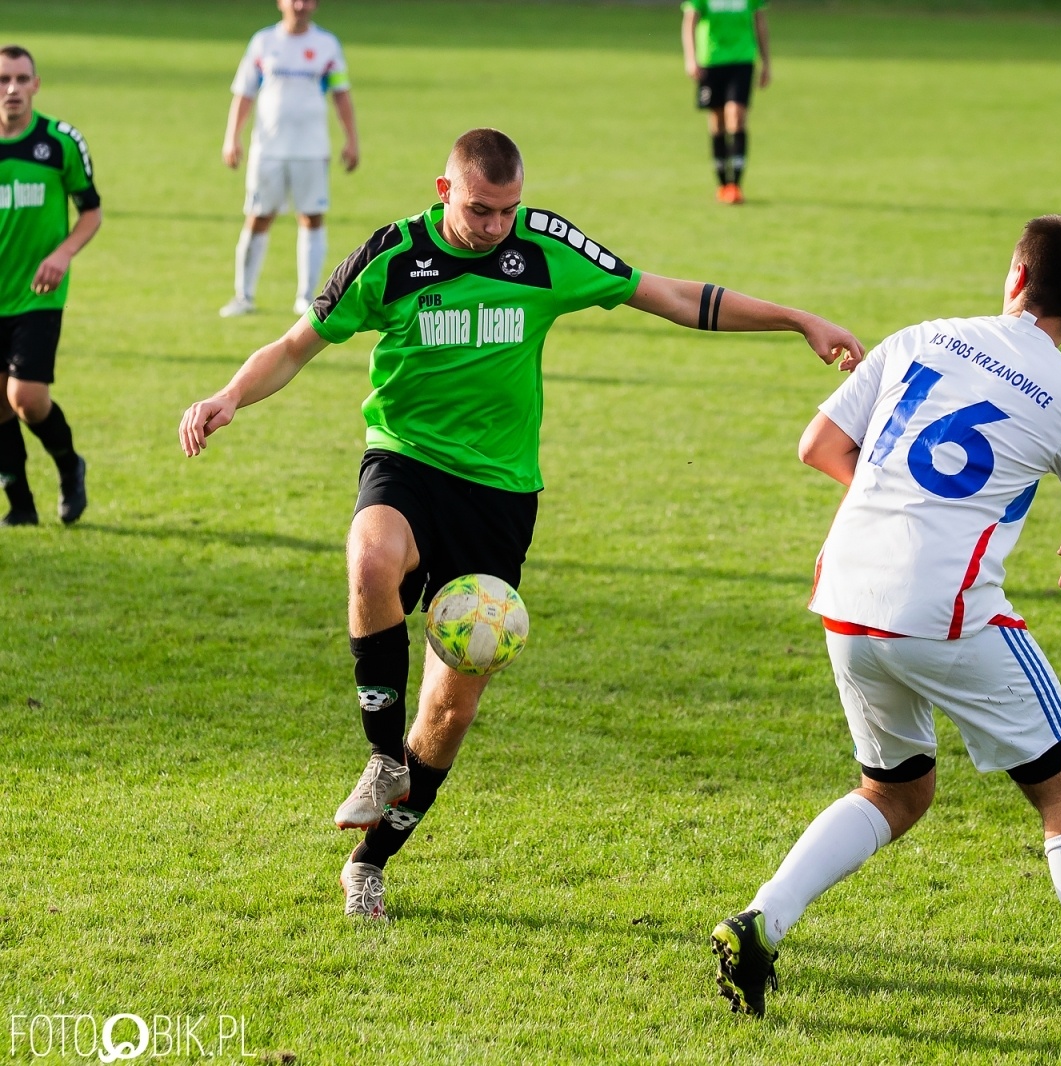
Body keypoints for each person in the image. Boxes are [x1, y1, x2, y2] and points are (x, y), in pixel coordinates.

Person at [179, 128, 863, 921]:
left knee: (450, 711)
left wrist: (796, 320)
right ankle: (379, 759)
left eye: (508, 209)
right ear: (443, 191)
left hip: (501, 495)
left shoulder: (543, 249)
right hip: (408, 460)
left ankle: (370, 861)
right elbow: (298, 345)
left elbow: (669, 295)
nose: (497, 224)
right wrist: (230, 394)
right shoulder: (392, 257)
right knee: (371, 560)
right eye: (479, 209)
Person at [710, 216, 1061, 1040]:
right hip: (947, 609)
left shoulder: (922, 336)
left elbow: (819, 445)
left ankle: (761, 920)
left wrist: (894, 501)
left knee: (895, 790)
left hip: (847, 593)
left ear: (1015, 274)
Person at [0, 45, 99, 527]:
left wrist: (62, 253)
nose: (12, 88)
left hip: (37, 293)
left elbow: (91, 213)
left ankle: (68, 466)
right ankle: (20, 504)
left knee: (27, 398)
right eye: (3, 79)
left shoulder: (60, 141)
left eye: (21, 78)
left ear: (36, 84)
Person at [219, 0, 358, 318]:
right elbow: (244, 94)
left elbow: (341, 94)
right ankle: (243, 295)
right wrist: (232, 138)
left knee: (311, 217)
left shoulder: (326, 45)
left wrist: (351, 140)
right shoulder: (263, 42)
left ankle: (307, 297)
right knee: (258, 216)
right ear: (281, 3)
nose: (300, 5)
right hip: (267, 149)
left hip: (311, 149)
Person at [681, 0, 769, 205]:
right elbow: (689, 21)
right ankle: (722, 183)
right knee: (717, 121)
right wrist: (690, 58)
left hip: (742, 59)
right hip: (711, 59)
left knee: (736, 116)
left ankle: (735, 185)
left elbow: (760, 22)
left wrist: (766, 62)